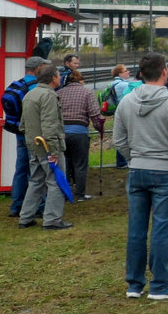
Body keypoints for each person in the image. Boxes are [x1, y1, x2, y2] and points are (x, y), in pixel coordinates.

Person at [114, 52, 168, 300]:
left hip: (137, 170)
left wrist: (133, 157)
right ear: (164, 72)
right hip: (165, 170)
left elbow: (119, 139)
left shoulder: (127, 102)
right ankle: (160, 285)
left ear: (140, 74)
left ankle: (134, 284)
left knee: (136, 229)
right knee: (161, 228)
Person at [18, 64, 71, 230]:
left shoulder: (29, 94)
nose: (60, 78)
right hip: (48, 147)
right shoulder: (49, 96)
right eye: (58, 75)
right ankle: (52, 220)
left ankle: (25, 217)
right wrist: (53, 151)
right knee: (55, 182)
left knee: (35, 181)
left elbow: (23, 124)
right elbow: (50, 125)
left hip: (33, 145)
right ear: (53, 78)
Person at [4, 55, 48, 218]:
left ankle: (16, 206)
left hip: (19, 134)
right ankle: (39, 206)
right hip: (34, 135)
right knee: (37, 171)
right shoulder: (36, 87)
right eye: (44, 67)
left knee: (21, 170)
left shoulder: (17, 85)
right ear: (37, 69)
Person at [58, 69, 103, 201]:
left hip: (62, 133)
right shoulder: (87, 92)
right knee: (80, 165)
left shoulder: (59, 93)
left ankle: (65, 193)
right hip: (79, 133)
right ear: (80, 80)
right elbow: (95, 114)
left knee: (65, 163)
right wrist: (99, 129)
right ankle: (80, 194)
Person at [106, 64, 135, 167]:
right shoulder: (123, 85)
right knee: (124, 137)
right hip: (124, 113)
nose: (128, 72)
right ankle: (123, 162)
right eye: (126, 70)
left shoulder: (114, 83)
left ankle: (121, 162)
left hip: (117, 113)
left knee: (121, 136)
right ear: (120, 73)